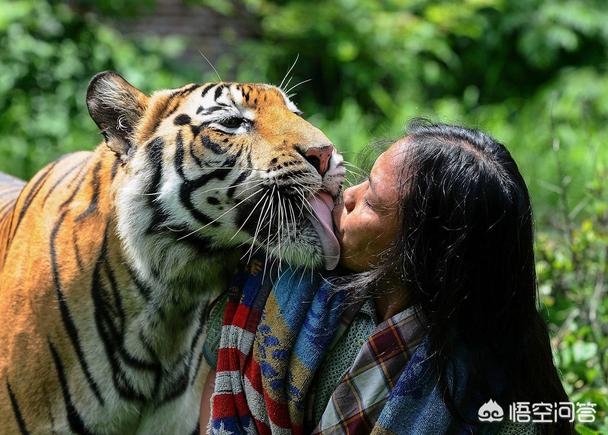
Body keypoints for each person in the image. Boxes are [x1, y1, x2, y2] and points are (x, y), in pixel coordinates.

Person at [200, 120, 570, 434]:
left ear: (420, 250)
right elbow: (216, 388)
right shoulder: (283, 284)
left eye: (372, 202)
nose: (346, 196)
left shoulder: (495, 387)